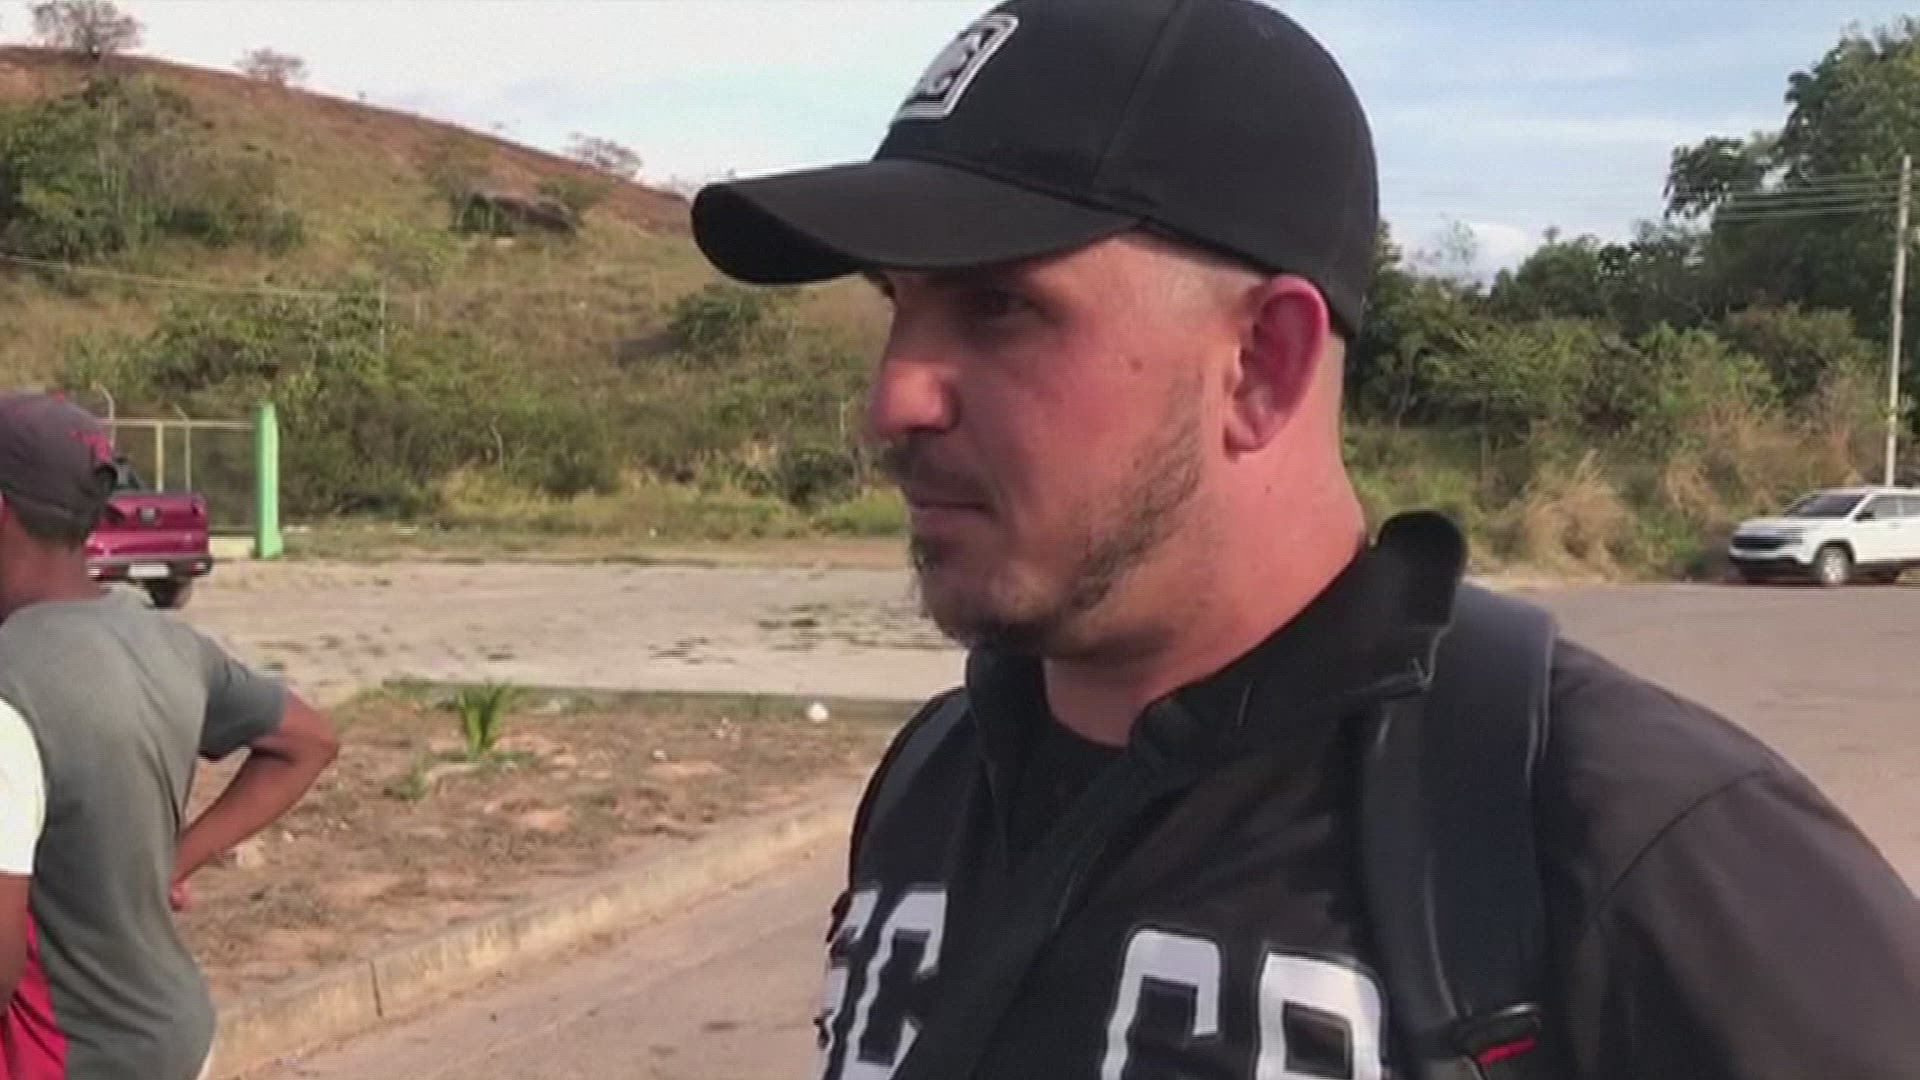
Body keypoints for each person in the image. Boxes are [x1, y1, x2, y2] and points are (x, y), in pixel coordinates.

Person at [690, 0, 1920, 1077]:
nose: (894, 399)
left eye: (999, 305)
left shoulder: (1632, 841)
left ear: (1263, 364)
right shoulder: (938, 775)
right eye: (898, 305)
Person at [0, 393, 340, 1080]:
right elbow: (308, 739)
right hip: (176, 1038)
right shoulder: (166, 642)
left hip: (69, 1060)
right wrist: (171, 863)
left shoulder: (10, 683)